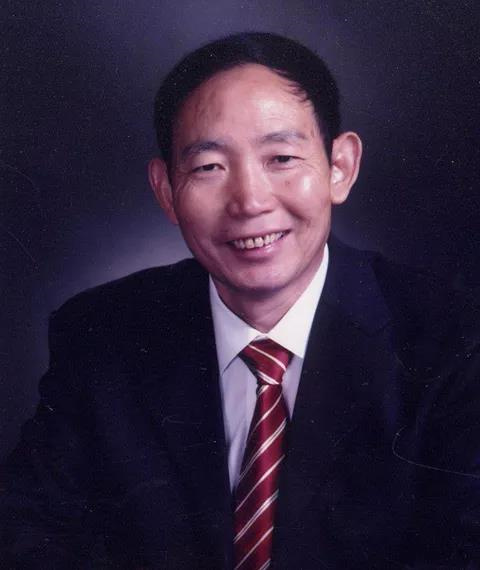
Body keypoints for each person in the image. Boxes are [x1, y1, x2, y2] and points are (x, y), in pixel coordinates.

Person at [1, 32, 479, 569]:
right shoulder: (101, 336)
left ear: (340, 167)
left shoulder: (452, 340)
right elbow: (28, 536)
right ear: (166, 191)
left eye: (281, 157)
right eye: (209, 167)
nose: (250, 201)